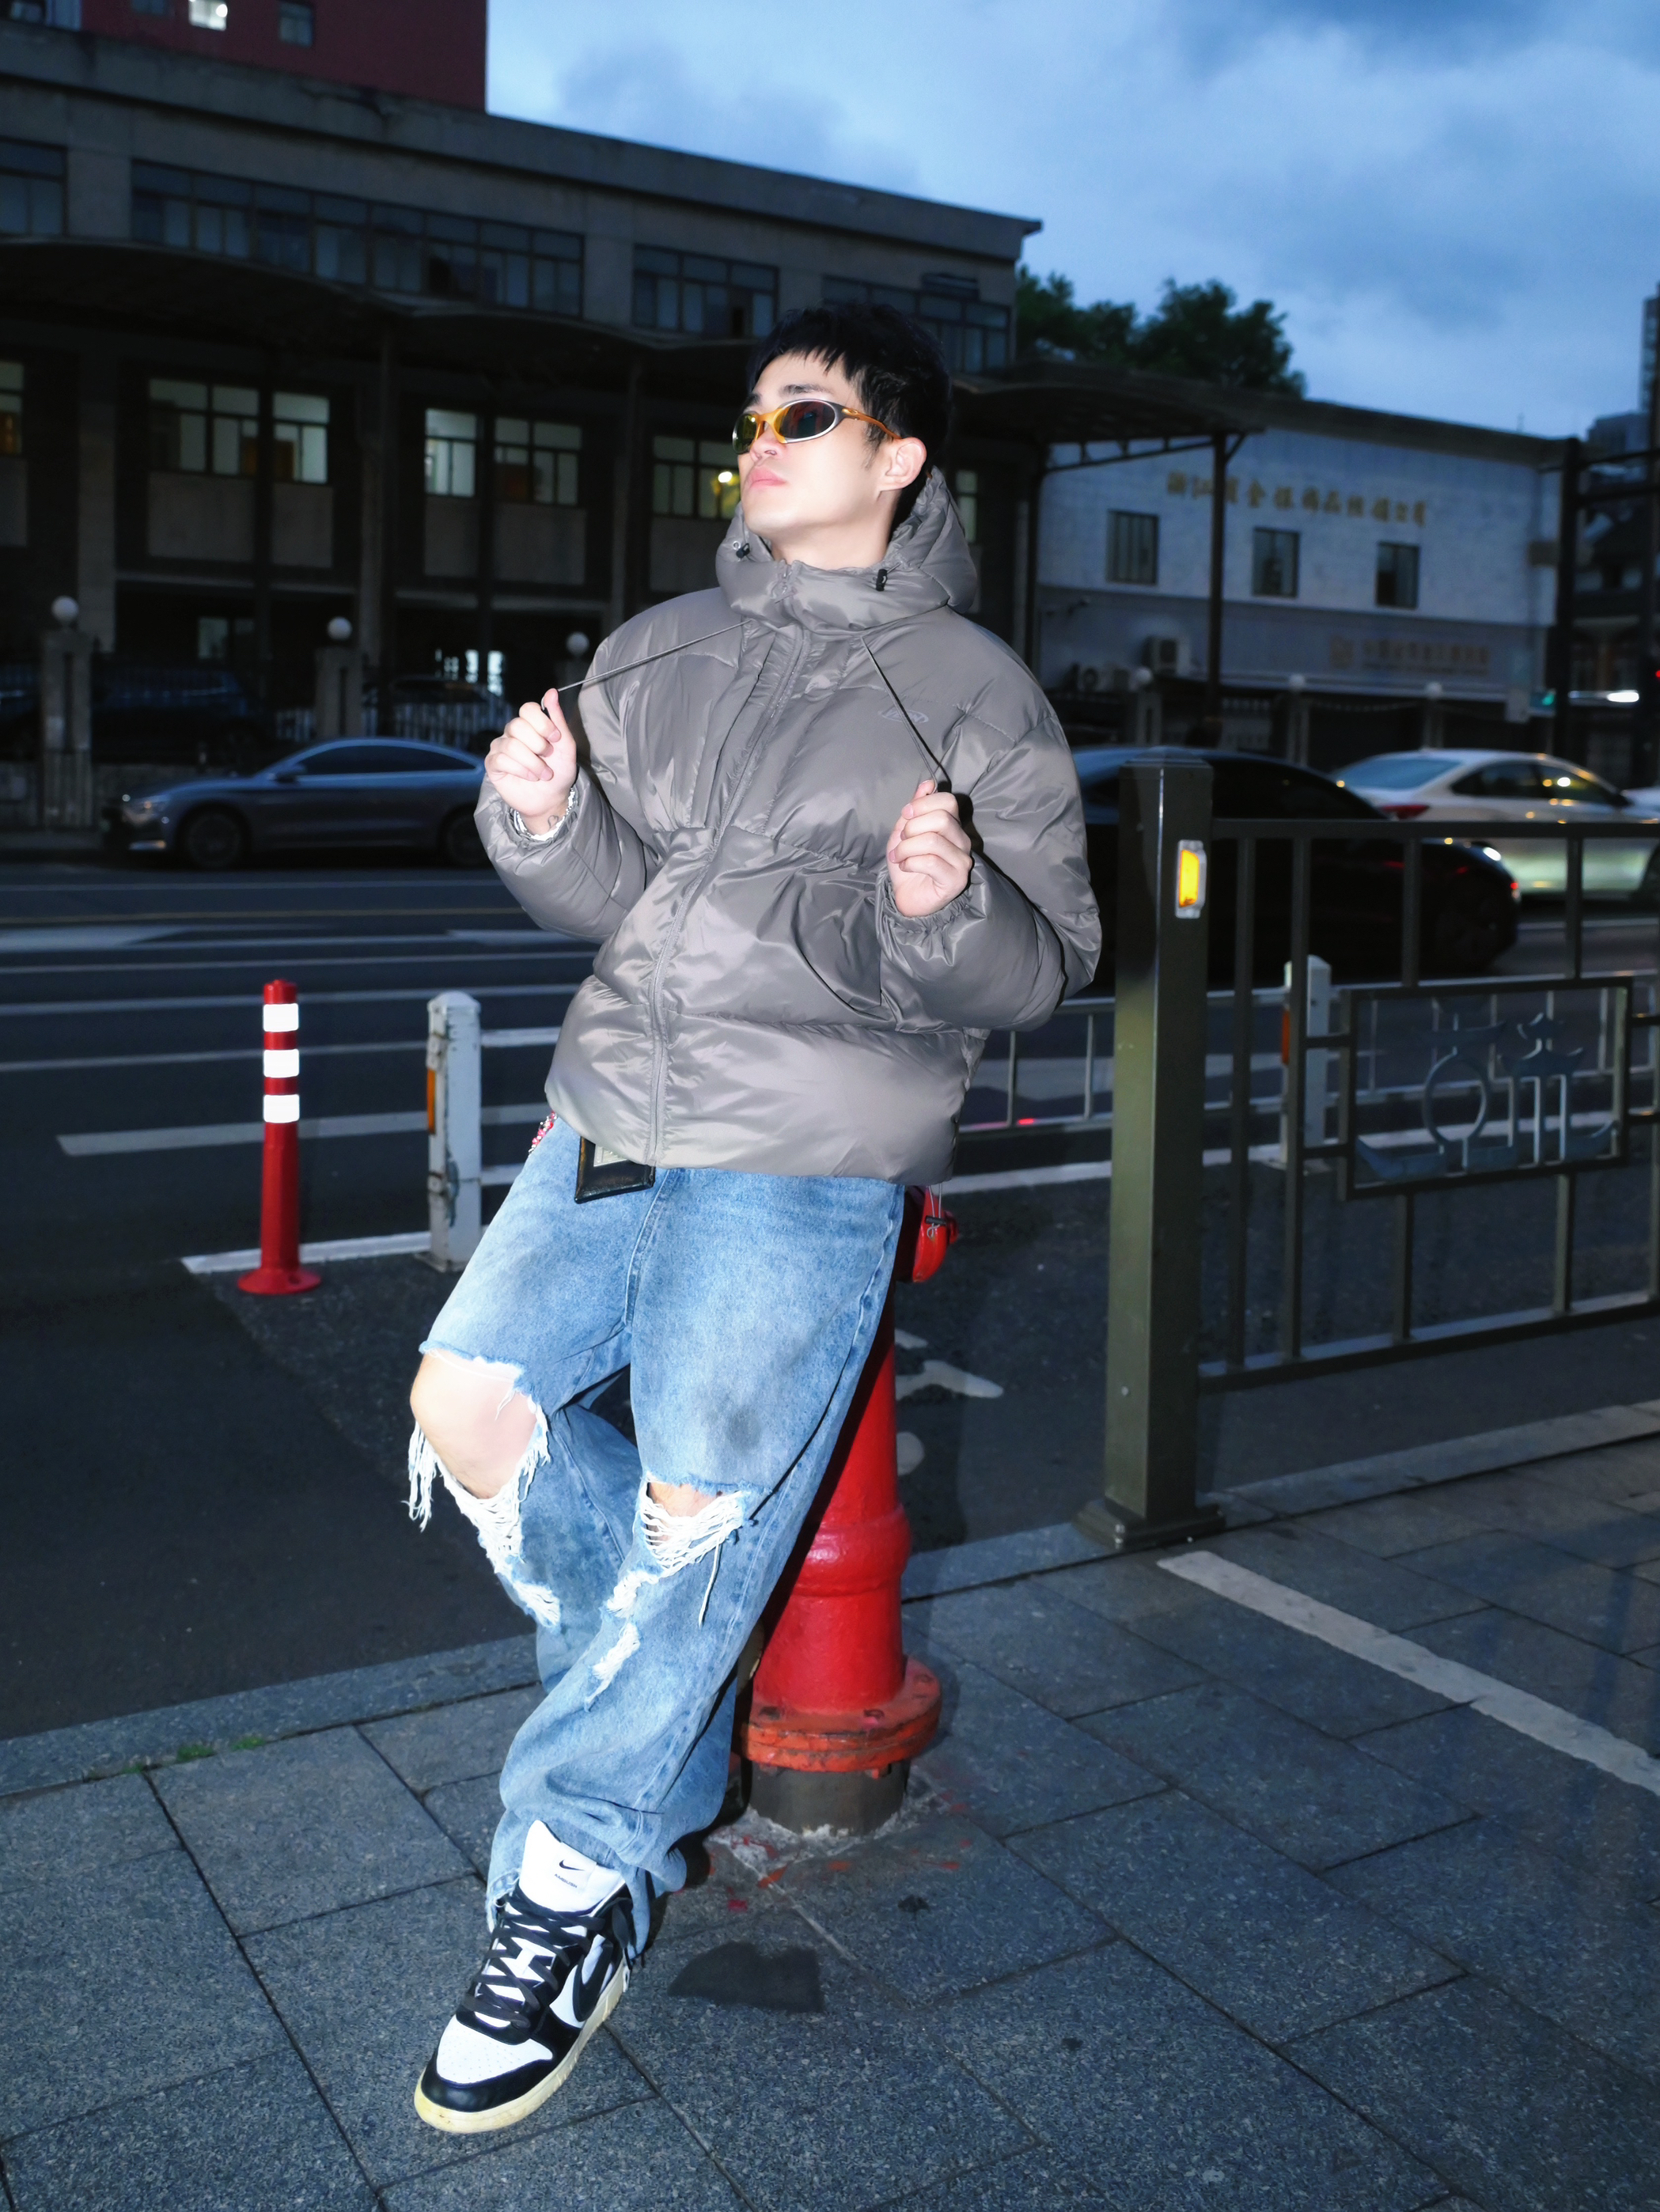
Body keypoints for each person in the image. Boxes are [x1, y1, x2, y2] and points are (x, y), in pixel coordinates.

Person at [404, 301, 1099, 2135]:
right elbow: (608, 897)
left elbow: (1040, 969)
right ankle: (661, 1702)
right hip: (611, 1113)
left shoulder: (969, 690)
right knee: (467, 1405)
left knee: (696, 1518)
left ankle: (572, 1882)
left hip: (804, 1146)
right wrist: (537, 814)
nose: (760, 443)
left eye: (805, 416)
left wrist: (945, 905)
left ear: (900, 458)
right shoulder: (660, 647)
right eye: (751, 417)